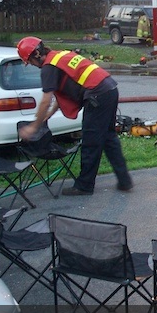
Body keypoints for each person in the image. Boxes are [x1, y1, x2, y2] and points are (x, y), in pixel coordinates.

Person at [17, 37, 132, 195]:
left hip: (97, 95)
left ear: (36, 54)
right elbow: (62, 92)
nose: (31, 64)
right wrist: (49, 115)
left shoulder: (48, 67)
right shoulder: (59, 56)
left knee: (91, 142)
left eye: (29, 61)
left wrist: (34, 127)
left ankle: (84, 186)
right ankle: (124, 181)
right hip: (109, 89)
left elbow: (46, 100)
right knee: (109, 137)